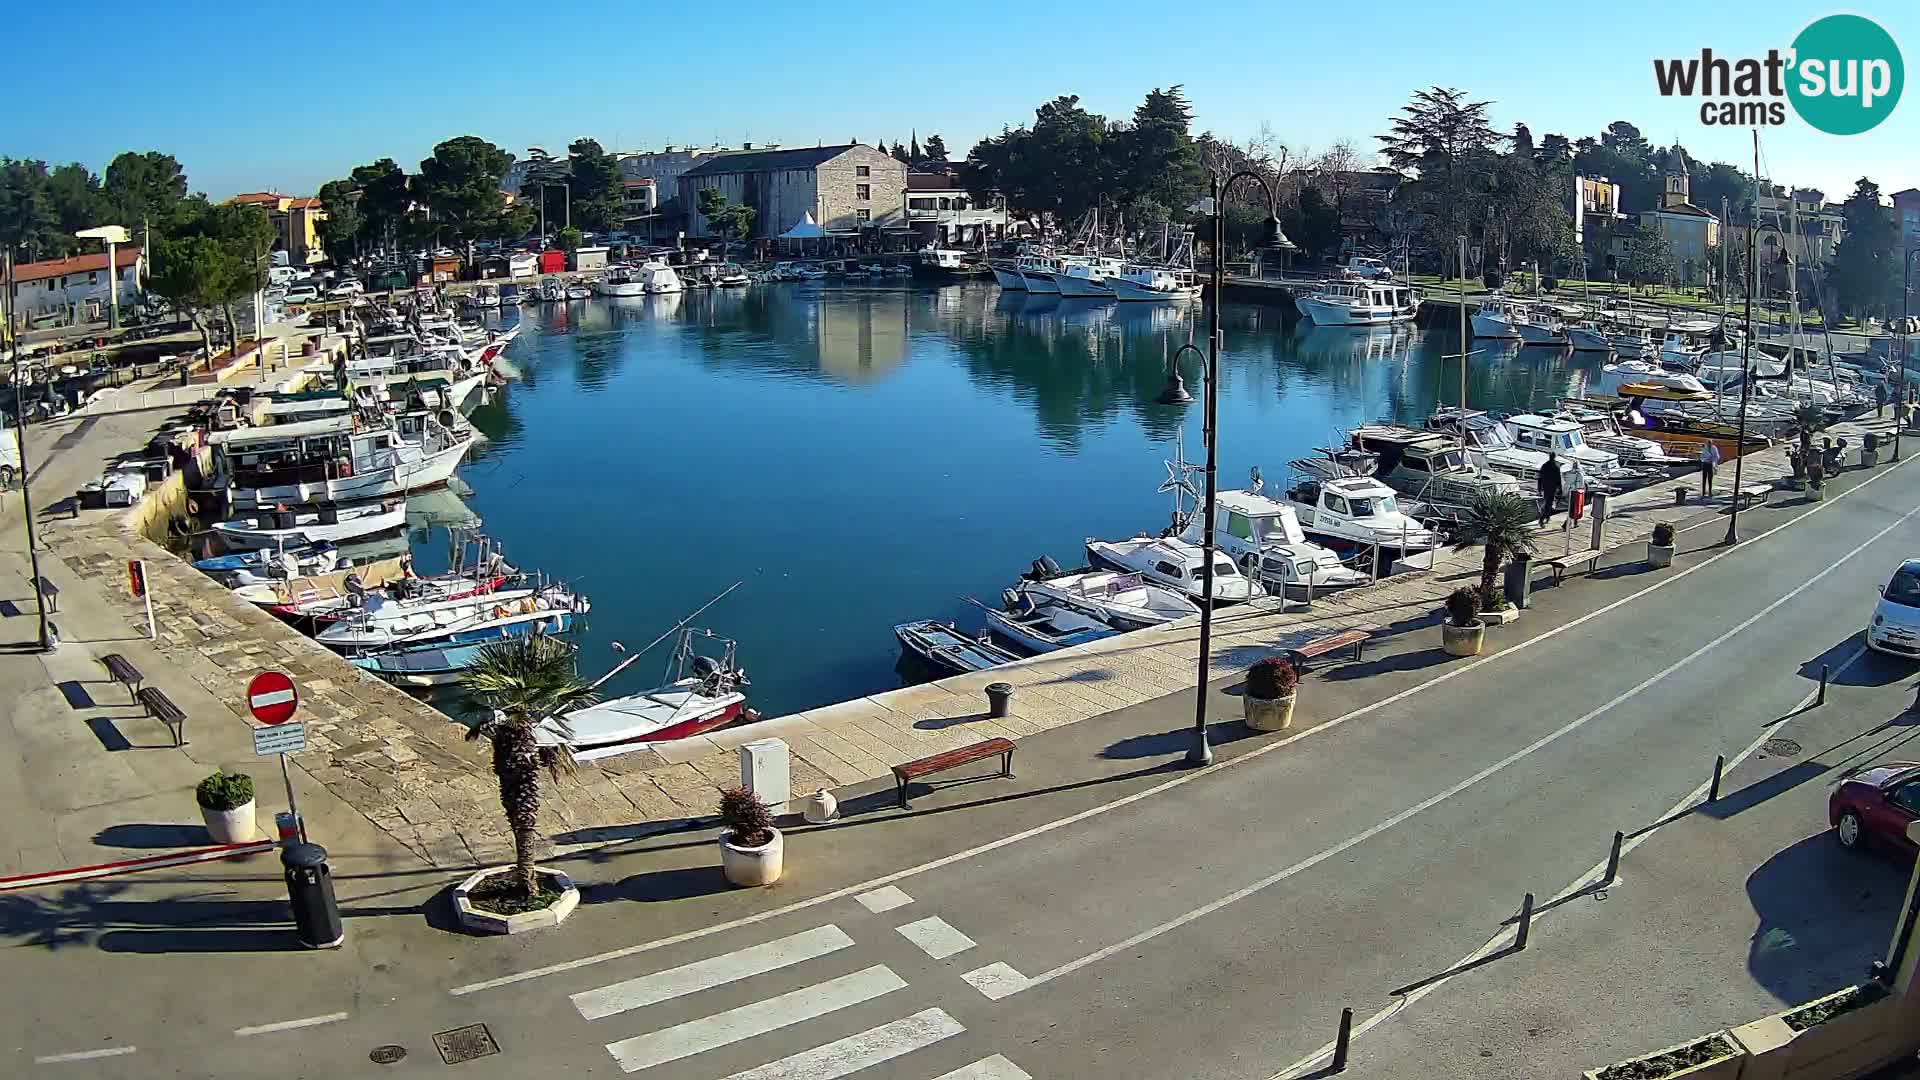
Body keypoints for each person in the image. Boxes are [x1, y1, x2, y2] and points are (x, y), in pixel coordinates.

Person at [1537, 451, 1562, 527]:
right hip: (1552, 488)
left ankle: (1547, 517)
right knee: (1548, 504)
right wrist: (1560, 488)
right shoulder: (1556, 466)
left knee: (1548, 503)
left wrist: (1539, 488)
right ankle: (1542, 519)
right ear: (1554, 457)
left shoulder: (1544, 466)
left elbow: (1540, 478)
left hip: (1545, 487)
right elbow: (1558, 479)